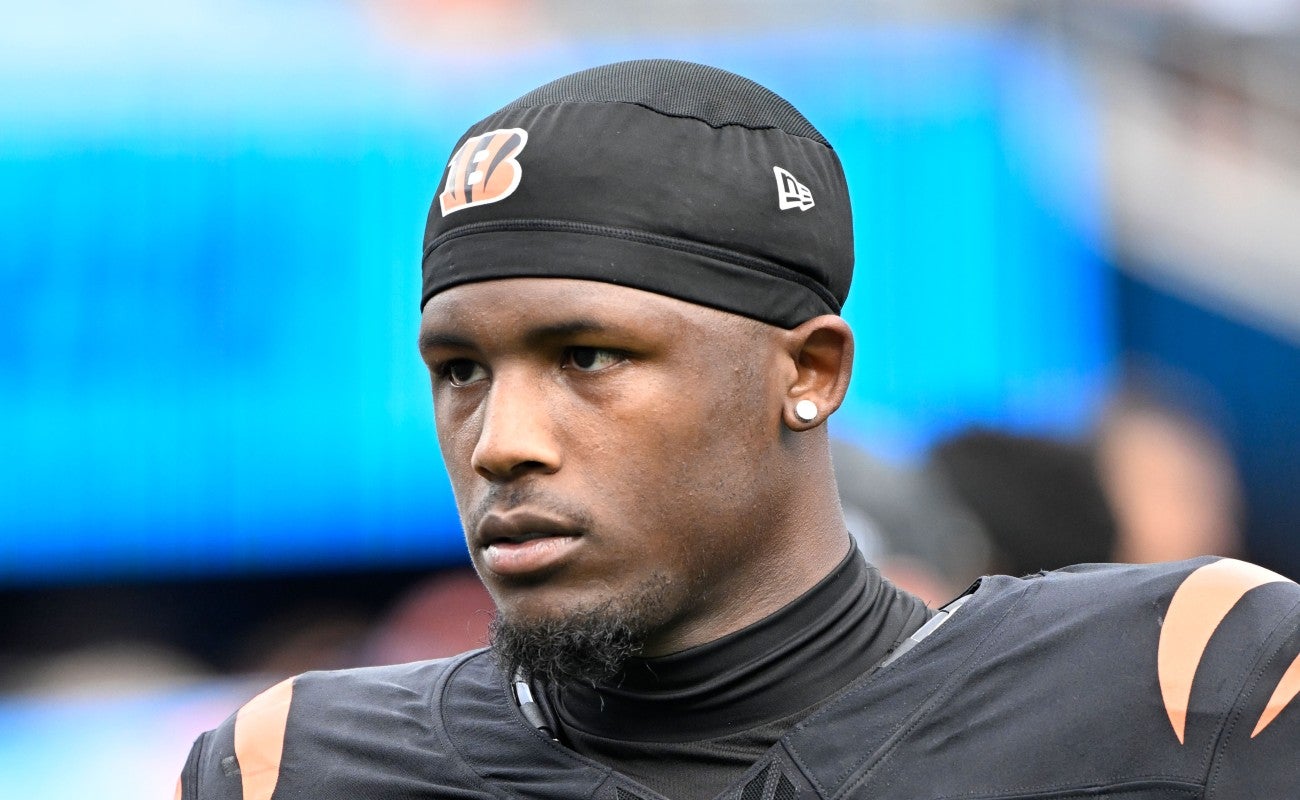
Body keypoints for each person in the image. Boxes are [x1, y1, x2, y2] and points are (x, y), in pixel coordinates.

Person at [177, 59, 1300, 800]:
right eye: (459, 369)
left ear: (808, 372)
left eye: (588, 356)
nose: (500, 439)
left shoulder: (1178, 686)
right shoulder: (294, 768)